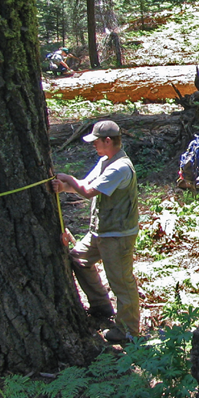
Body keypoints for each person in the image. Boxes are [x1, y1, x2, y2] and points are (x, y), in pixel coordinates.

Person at [52, 120, 140, 343]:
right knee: (78, 259)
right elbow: (84, 183)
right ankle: (102, 306)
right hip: (100, 231)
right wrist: (64, 186)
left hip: (118, 235)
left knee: (121, 280)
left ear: (108, 141)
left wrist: (67, 178)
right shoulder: (105, 161)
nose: (93, 146)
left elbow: (89, 191)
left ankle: (129, 330)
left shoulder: (120, 167)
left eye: (96, 142)